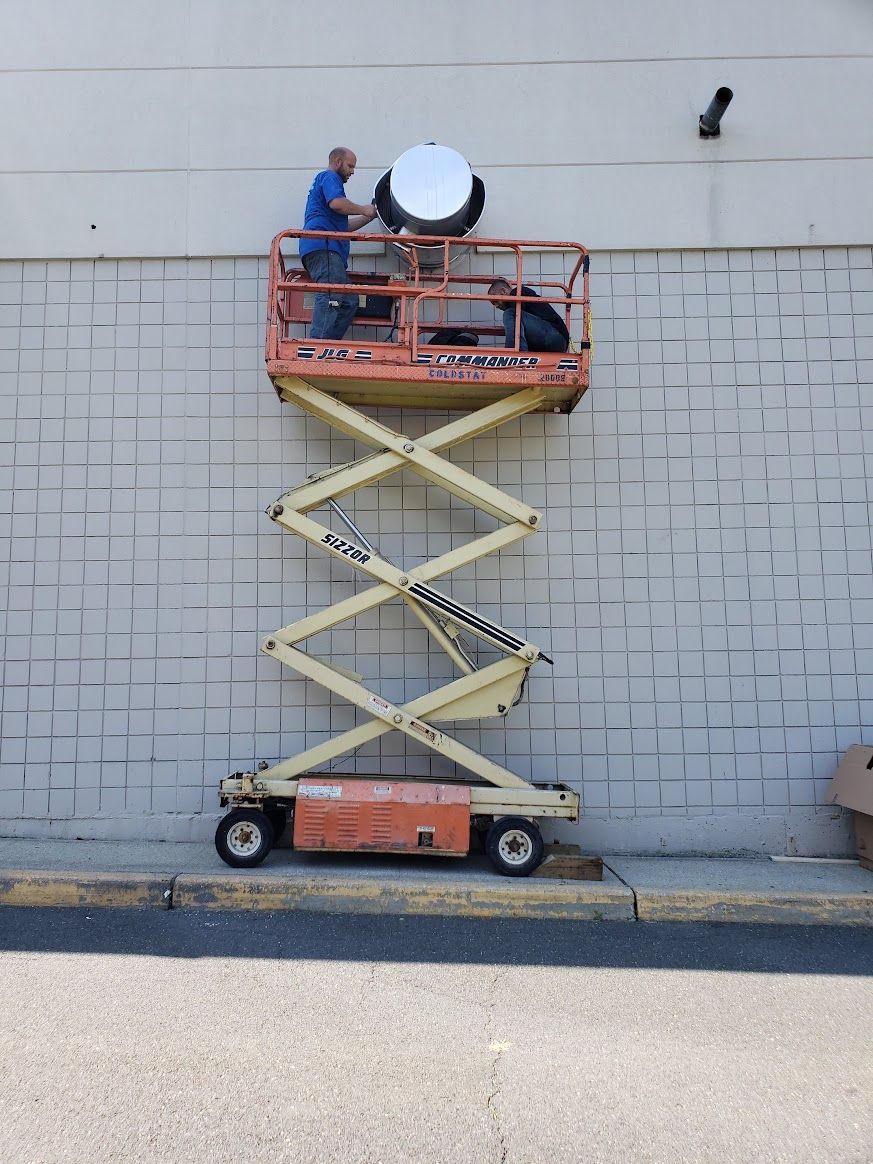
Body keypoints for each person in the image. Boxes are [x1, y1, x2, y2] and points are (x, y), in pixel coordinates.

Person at [299, 147, 378, 340]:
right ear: (337, 161)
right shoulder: (329, 177)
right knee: (331, 295)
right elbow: (337, 203)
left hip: (324, 247)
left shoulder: (324, 187)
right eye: (350, 166)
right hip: (324, 247)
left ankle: (328, 345)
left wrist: (369, 215)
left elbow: (344, 227)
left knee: (349, 301)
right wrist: (363, 209)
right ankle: (318, 347)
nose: (352, 171)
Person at [488, 277, 569, 353]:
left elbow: (516, 315)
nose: (496, 306)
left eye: (495, 301)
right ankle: (518, 354)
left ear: (503, 291)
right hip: (556, 340)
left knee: (510, 314)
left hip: (556, 337)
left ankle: (514, 356)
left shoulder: (517, 292)